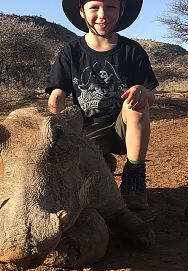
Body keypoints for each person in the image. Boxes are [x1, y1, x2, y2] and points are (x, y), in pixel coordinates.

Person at [46, 0, 159, 211]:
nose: (102, 14)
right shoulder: (70, 52)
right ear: (82, 11)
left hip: (124, 128)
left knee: (136, 104)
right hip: (87, 131)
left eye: (110, 7)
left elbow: (150, 94)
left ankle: (134, 178)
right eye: (94, 7)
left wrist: (143, 92)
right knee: (83, 187)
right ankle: (103, 163)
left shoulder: (132, 51)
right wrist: (52, 128)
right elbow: (58, 94)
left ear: (121, 10)